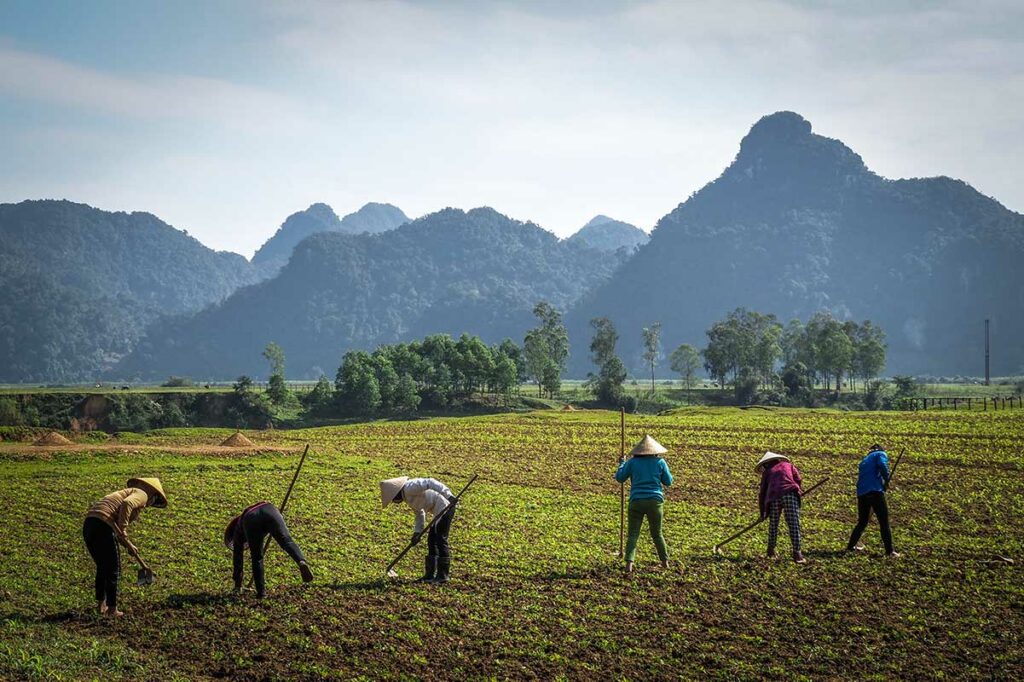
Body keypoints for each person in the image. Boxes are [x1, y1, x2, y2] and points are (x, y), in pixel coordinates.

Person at [83, 477, 167, 617]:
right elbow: (127, 504)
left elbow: (115, 529)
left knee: (103, 567)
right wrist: (123, 528)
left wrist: (128, 544)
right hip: (103, 525)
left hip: (91, 524)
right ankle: (112, 609)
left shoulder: (129, 491)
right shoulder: (143, 494)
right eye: (154, 500)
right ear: (153, 495)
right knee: (113, 569)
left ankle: (101, 606)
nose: (151, 504)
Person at [224, 502, 314, 598]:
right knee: (287, 541)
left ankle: (261, 593)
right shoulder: (243, 518)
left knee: (257, 558)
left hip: (251, 519)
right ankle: (301, 562)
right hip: (270, 509)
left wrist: (238, 586)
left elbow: (238, 561)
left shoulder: (237, 533)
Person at [615, 435, 674, 573]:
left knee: (633, 534)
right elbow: (668, 482)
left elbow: (620, 478)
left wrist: (621, 464)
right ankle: (665, 563)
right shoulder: (660, 462)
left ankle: (629, 564)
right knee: (657, 534)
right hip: (655, 502)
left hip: (636, 501)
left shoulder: (632, 462)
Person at [380, 476, 457, 583]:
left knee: (440, 539)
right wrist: (417, 532)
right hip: (437, 511)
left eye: (392, 499)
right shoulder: (407, 497)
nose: (394, 502)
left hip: (446, 506)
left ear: (395, 494)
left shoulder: (409, 487)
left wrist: (448, 496)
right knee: (431, 541)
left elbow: (430, 482)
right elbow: (419, 512)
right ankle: (429, 575)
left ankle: (443, 576)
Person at [846, 444, 900, 558]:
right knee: (884, 522)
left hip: (862, 493)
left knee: (862, 522)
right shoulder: (880, 454)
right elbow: (882, 465)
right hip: (875, 492)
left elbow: (870, 476)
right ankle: (890, 551)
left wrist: (882, 483)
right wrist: (886, 480)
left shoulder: (864, 461)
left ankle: (850, 546)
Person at [756, 452, 807, 564]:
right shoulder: (788, 466)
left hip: (774, 497)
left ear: (767, 463)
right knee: (793, 523)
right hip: (789, 494)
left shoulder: (767, 472)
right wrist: (798, 491)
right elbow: (798, 479)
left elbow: (763, 493)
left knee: (773, 524)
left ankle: (770, 551)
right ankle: (797, 553)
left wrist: (763, 513)